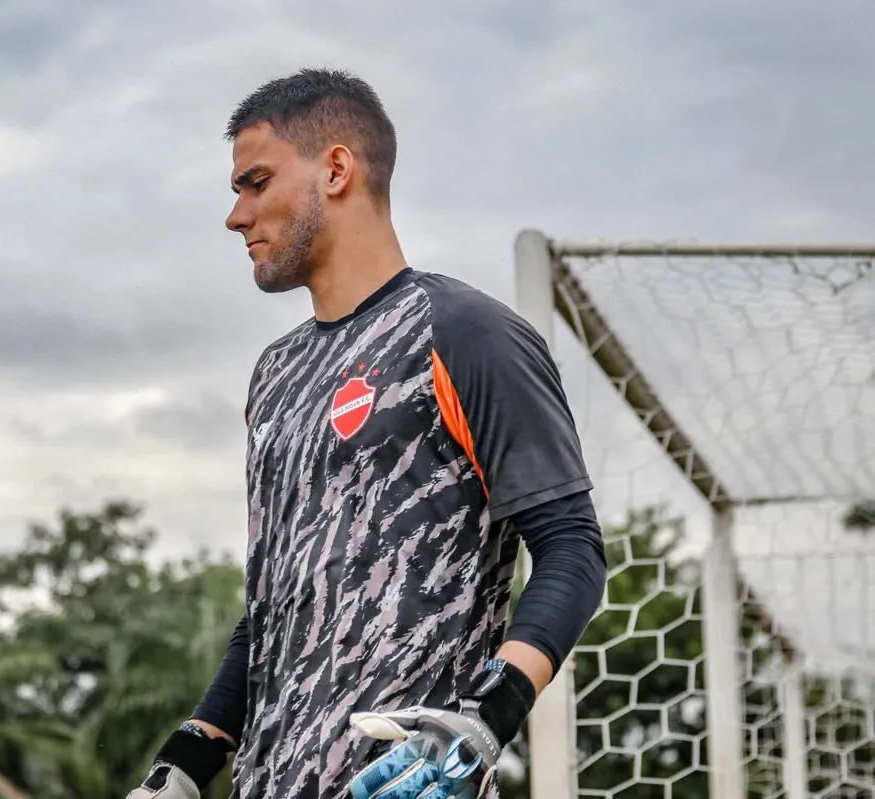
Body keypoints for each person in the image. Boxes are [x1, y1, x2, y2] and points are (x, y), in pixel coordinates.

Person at [127, 68, 607, 799]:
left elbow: (572, 549)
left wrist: (483, 721)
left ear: (337, 168)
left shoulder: (464, 332)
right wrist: (186, 761)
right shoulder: (275, 375)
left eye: (254, 182)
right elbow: (275, 606)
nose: (236, 214)